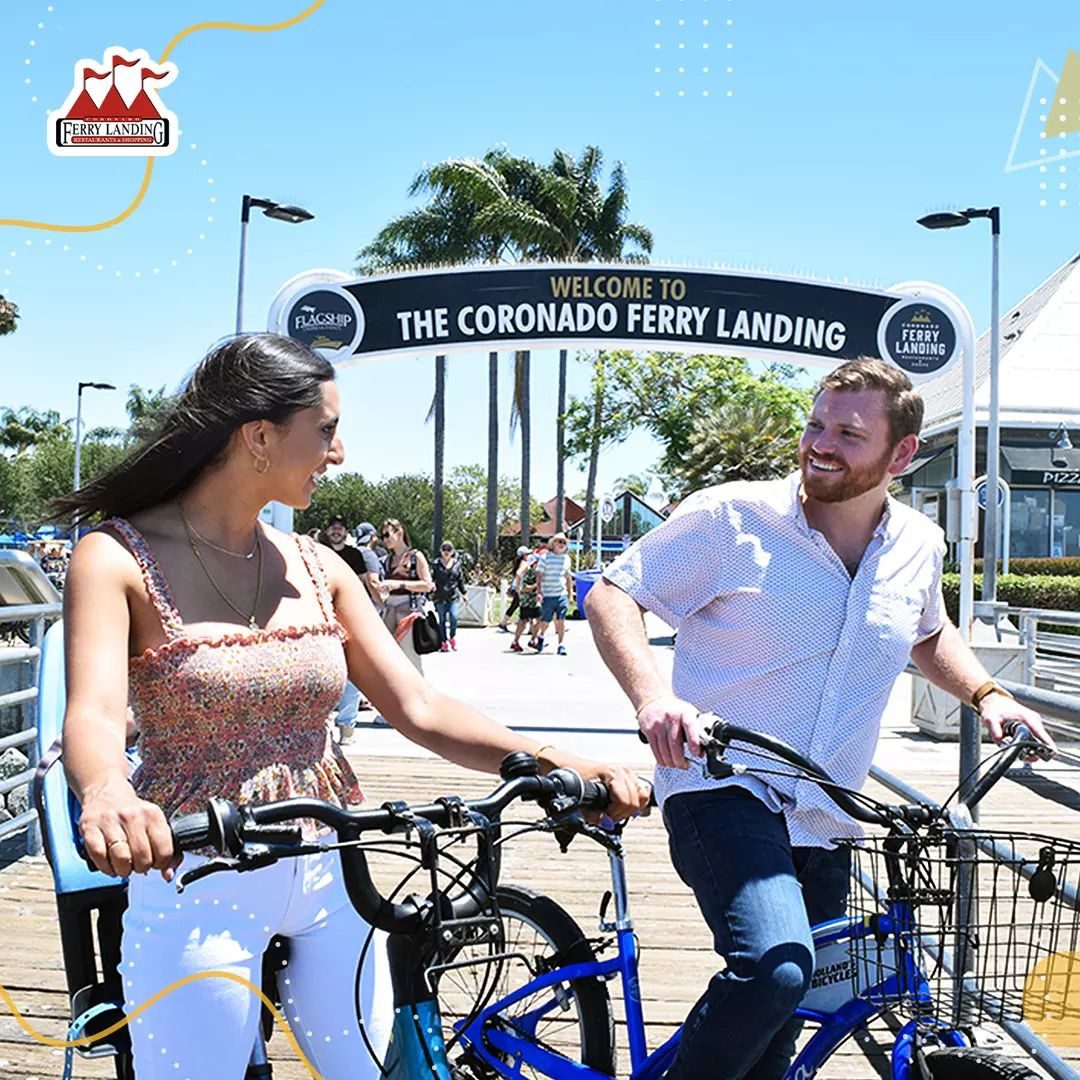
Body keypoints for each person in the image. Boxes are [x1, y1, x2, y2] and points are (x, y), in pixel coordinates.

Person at [54, 334, 650, 1080]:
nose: (339, 453)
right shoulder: (115, 557)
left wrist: (554, 759)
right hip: (195, 869)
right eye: (327, 429)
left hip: (334, 865)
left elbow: (418, 705)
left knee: (369, 1072)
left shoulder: (320, 565)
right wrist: (107, 788)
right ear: (260, 436)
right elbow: (95, 715)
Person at [584, 357, 1056, 1080]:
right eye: (815, 425)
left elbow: (928, 633)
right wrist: (654, 699)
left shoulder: (918, 546)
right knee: (775, 970)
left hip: (830, 811)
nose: (821, 444)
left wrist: (989, 696)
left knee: (782, 1033)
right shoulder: (731, 518)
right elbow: (616, 593)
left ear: (902, 454)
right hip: (724, 787)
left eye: (848, 433)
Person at [319, 515, 371, 742]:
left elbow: (362, 584)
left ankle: (347, 727)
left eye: (340, 528)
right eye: (333, 527)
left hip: (348, 619)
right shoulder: (315, 552)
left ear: (346, 532)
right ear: (327, 531)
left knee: (352, 674)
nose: (336, 531)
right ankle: (322, 727)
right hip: (321, 619)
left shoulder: (355, 555)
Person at [379, 517, 434, 672]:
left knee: (410, 657)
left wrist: (399, 584)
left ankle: (419, 693)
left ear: (399, 532)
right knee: (388, 656)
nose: (385, 540)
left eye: (387, 535)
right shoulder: (388, 559)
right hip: (389, 608)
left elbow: (427, 585)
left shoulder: (416, 556)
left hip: (408, 610)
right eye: (382, 536)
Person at [532, 532, 573, 655]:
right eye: (559, 541)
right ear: (553, 543)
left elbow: (568, 576)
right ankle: (541, 636)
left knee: (561, 620)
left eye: (564, 542)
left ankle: (561, 645)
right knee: (545, 621)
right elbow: (539, 575)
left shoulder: (566, 559)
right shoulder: (545, 558)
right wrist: (539, 592)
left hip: (561, 594)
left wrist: (570, 593)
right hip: (548, 594)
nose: (562, 544)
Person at [432, 541, 468, 652]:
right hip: (440, 595)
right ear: (441, 551)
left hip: (453, 596)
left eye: (449, 550)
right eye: (444, 549)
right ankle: (443, 641)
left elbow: (460, 579)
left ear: (452, 552)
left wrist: (464, 593)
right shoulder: (436, 564)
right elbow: (432, 578)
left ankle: (452, 637)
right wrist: (431, 586)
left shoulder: (457, 564)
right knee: (441, 620)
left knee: (454, 617)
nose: (446, 552)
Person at [510, 553, 541, 653]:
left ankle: (533, 640)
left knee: (539, 619)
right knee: (523, 622)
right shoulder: (527, 573)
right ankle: (515, 641)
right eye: (537, 563)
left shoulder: (537, 573)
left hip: (535, 601)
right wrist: (536, 585)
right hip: (526, 601)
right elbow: (525, 588)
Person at [498, 545, 532, 631]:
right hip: (521, 588)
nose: (528, 556)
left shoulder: (519, 563)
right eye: (527, 554)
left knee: (515, 605)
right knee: (528, 606)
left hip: (517, 587)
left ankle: (503, 623)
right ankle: (530, 628)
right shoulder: (524, 564)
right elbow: (519, 574)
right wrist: (518, 586)